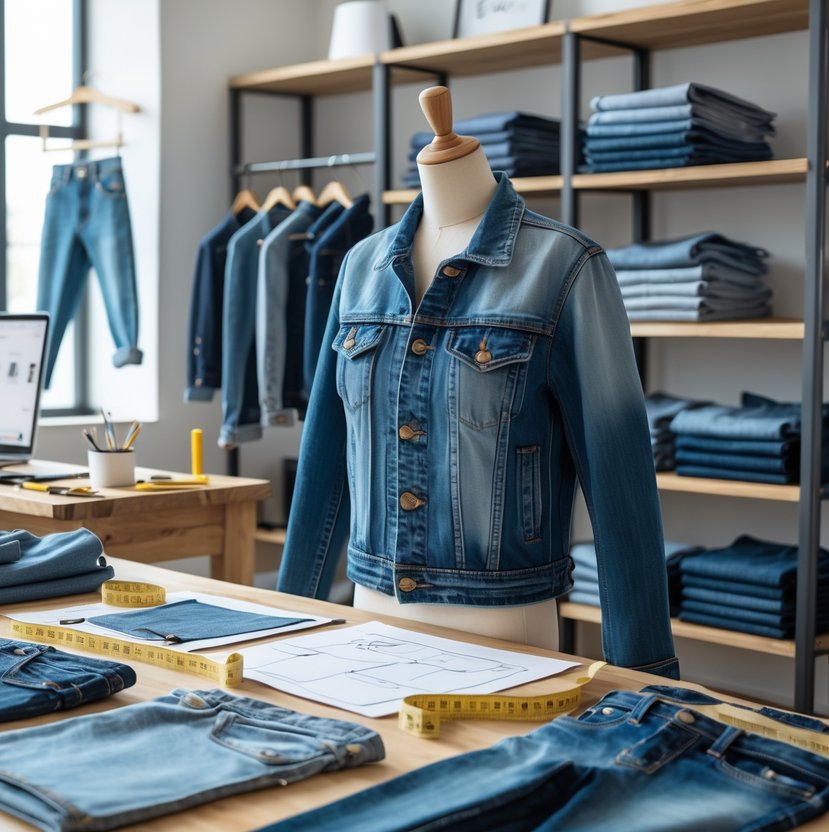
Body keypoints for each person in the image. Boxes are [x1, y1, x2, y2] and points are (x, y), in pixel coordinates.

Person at [278, 87, 678, 678]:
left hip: (506, 627)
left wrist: (645, 677)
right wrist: (290, 622)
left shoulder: (563, 266)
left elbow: (620, 481)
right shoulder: (361, 268)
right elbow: (324, 457)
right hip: (371, 614)